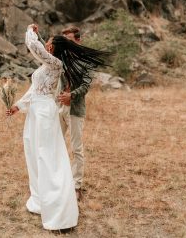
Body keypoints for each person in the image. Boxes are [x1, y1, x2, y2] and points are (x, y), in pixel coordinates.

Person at [7, 24, 111, 231]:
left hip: (45, 113)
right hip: (35, 113)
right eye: (46, 42)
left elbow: (33, 47)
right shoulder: (46, 65)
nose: (46, 44)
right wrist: (18, 106)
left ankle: (61, 213)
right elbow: (34, 90)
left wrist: (30, 30)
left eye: (50, 43)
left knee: (48, 158)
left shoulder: (55, 63)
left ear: (56, 49)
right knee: (35, 155)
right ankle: (41, 200)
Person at [58, 26, 89, 200]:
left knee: (76, 149)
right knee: (56, 143)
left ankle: (76, 185)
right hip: (59, 107)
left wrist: (72, 95)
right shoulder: (61, 59)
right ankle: (59, 180)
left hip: (75, 109)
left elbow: (86, 86)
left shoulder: (86, 60)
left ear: (78, 40)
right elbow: (44, 50)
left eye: (69, 40)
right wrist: (35, 35)